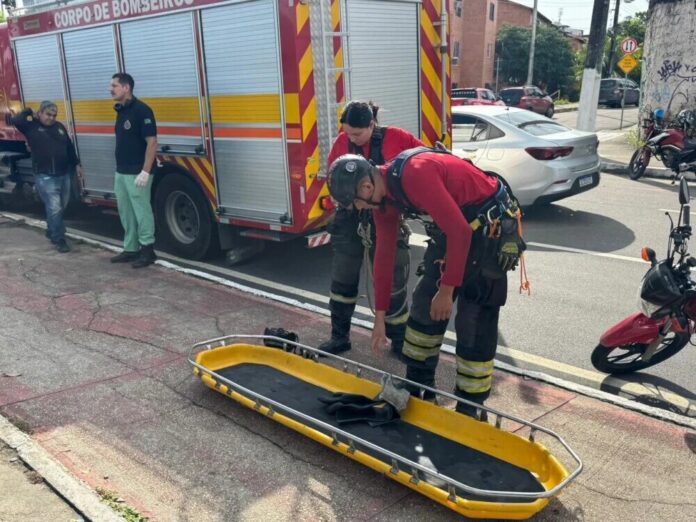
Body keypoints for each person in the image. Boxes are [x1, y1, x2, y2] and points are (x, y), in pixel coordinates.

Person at [327, 149, 525, 418]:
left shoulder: (416, 175)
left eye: (356, 204)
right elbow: (384, 255)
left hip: (487, 232)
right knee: (423, 309)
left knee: (474, 321)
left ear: (366, 187)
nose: (359, 209)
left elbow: (461, 232)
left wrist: (446, 290)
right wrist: (380, 319)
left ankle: (471, 406)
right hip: (455, 229)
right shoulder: (385, 199)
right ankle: (420, 385)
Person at [321, 101, 424, 355]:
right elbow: (332, 176)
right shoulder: (342, 142)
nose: (351, 138)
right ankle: (339, 337)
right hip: (350, 218)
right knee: (343, 279)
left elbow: (421, 161)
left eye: (357, 134)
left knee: (392, 282)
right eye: (347, 133)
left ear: (371, 125)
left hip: (385, 215)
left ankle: (398, 341)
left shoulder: (396, 138)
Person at [7, 101, 83, 253]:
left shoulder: (59, 127)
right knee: (55, 207)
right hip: (45, 176)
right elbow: (16, 120)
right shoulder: (31, 127)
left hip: (63, 173)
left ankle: (51, 229)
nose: (51, 118)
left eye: (54, 115)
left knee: (61, 206)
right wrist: (29, 111)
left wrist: (77, 164)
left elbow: (69, 147)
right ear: (40, 113)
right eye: (48, 114)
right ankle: (59, 239)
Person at [109, 72, 158, 268]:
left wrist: (145, 171)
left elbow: (152, 142)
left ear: (126, 87)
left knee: (141, 211)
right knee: (126, 212)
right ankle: (130, 249)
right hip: (121, 171)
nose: (110, 89)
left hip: (137, 172)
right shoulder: (121, 111)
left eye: (114, 86)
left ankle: (147, 250)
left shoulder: (142, 110)